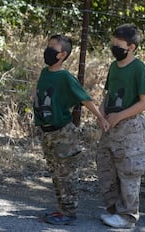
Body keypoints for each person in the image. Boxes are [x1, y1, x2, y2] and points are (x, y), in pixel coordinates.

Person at [33, 34, 110, 225]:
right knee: (56, 173)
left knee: (66, 174)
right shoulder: (45, 72)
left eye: (53, 48)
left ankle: (69, 212)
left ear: (62, 55)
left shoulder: (65, 77)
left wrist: (100, 118)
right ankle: (62, 209)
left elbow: (85, 98)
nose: (48, 50)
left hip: (63, 134)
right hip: (48, 132)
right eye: (48, 46)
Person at [96, 24, 145, 229]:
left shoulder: (139, 68)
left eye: (118, 45)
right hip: (110, 126)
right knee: (106, 168)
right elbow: (109, 94)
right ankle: (115, 210)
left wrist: (119, 116)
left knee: (129, 171)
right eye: (113, 44)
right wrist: (101, 113)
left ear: (131, 47)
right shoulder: (113, 66)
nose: (114, 48)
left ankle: (128, 216)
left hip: (128, 127)